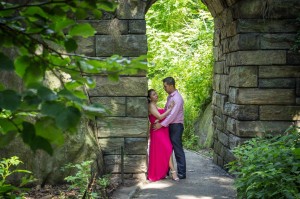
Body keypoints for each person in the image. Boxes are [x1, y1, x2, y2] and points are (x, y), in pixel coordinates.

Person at [153, 77, 186, 179]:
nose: (164, 88)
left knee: (177, 148)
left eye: (165, 86)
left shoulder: (177, 98)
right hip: (170, 125)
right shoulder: (170, 97)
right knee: (167, 148)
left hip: (176, 126)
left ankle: (181, 173)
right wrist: (159, 118)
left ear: (171, 85)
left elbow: (172, 115)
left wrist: (161, 125)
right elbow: (167, 111)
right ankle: (166, 170)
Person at [147, 89, 179, 182]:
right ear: (149, 98)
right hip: (157, 131)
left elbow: (159, 117)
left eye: (156, 93)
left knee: (165, 150)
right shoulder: (150, 105)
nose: (156, 95)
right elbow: (160, 116)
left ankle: (162, 172)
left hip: (163, 130)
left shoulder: (155, 105)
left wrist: (159, 118)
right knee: (167, 148)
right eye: (153, 94)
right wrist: (169, 109)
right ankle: (173, 172)